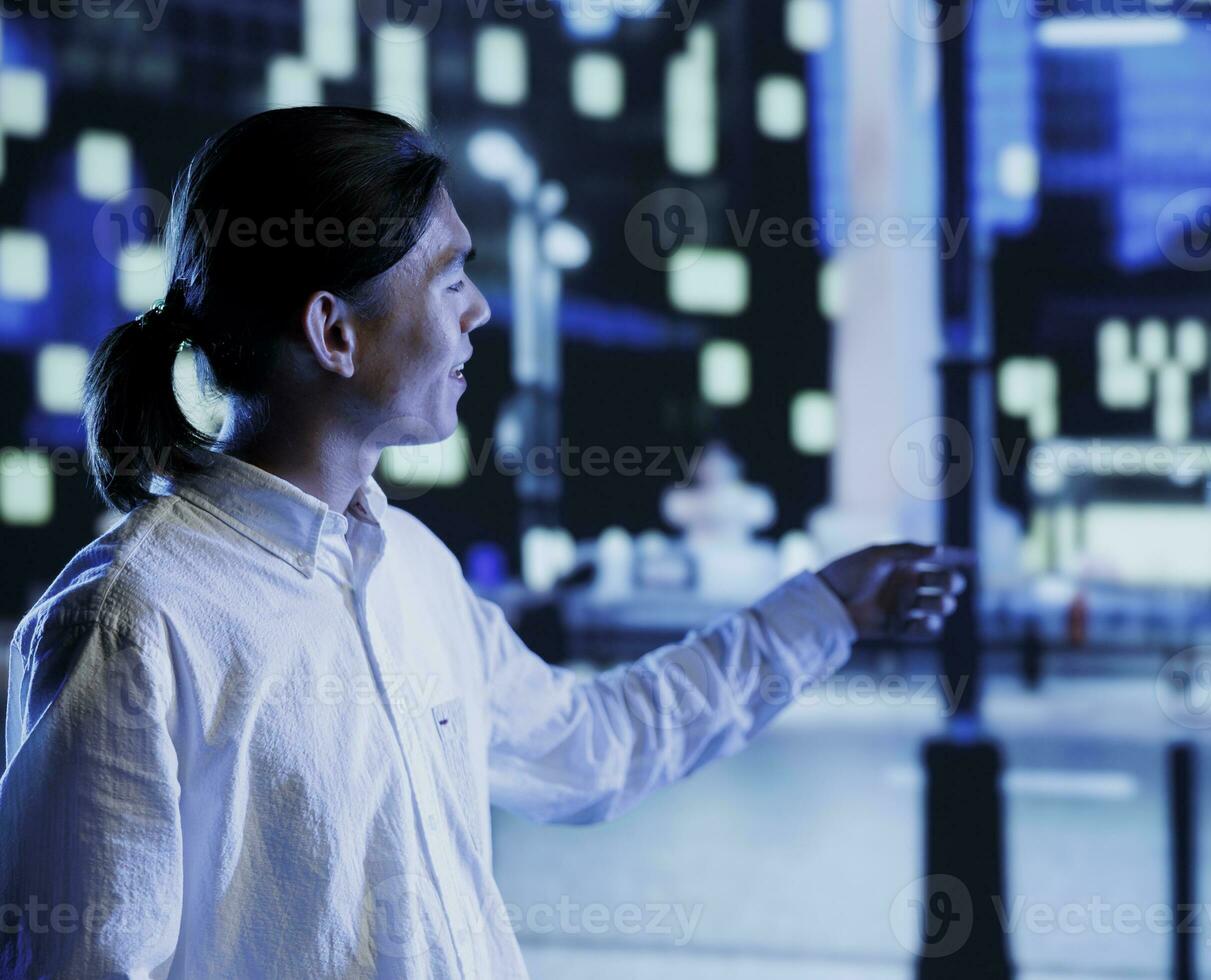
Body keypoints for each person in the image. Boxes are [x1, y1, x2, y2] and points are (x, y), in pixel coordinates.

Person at [0, 107, 970, 978]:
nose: (480, 310)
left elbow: (590, 744)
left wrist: (827, 609)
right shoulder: (133, 619)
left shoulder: (409, 566)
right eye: (453, 275)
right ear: (335, 331)